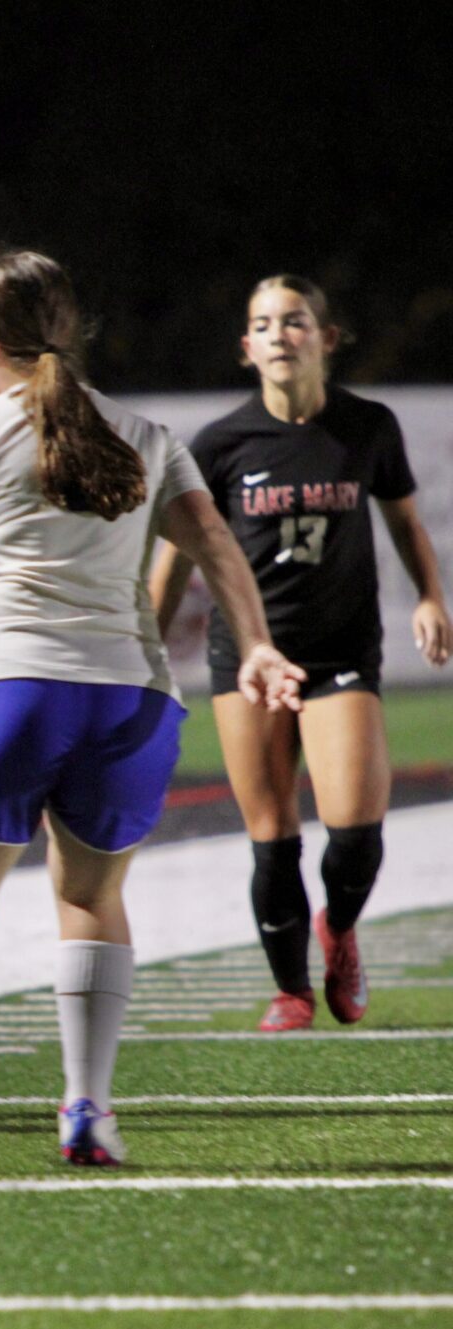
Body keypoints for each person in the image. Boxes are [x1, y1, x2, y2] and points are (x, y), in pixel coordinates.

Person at [0, 250, 302, 1177]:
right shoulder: (144, 433)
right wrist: (262, 643)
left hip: (8, 691)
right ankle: (89, 1113)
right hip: (129, 700)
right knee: (91, 899)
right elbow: (214, 544)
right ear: (67, 329)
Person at [150, 276, 449, 1032]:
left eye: (295, 321)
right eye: (263, 323)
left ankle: (340, 930)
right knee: (273, 836)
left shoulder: (368, 427)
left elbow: (407, 523)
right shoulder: (218, 444)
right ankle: (290, 990)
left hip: (342, 650)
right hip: (250, 656)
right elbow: (179, 552)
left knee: (354, 834)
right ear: (246, 348)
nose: (279, 334)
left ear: (326, 337)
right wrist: (144, 649)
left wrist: (430, 596)